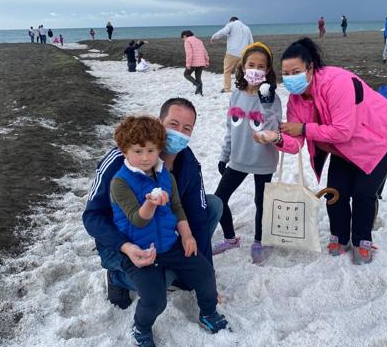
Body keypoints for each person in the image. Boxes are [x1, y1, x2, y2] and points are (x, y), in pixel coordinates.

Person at [254, 38, 387, 265]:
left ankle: (362, 239)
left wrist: (304, 128)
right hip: (343, 148)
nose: (290, 77)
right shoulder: (295, 101)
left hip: (383, 139)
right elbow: (296, 143)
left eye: (296, 71)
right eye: (286, 73)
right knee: (335, 192)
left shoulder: (337, 82)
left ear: (311, 68)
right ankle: (340, 236)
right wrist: (275, 137)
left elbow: (343, 131)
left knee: (363, 193)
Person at [83, 98, 224, 310]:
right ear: (159, 123)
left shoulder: (189, 164)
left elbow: (197, 217)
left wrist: (205, 278)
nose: (179, 133)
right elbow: (92, 217)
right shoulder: (119, 161)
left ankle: (177, 271)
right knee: (160, 281)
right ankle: (117, 277)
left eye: (187, 128)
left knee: (212, 205)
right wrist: (125, 246)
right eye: (173, 124)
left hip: (163, 236)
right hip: (124, 238)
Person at [109, 115, 229, 347]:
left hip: (169, 244)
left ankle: (208, 314)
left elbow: (177, 207)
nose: (145, 157)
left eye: (151, 150)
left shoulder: (165, 175)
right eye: (138, 151)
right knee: (155, 300)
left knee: (204, 273)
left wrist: (186, 235)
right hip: (139, 251)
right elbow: (137, 220)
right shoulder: (120, 183)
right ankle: (141, 328)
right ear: (124, 151)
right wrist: (150, 204)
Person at [213, 42, 282, 264]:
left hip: (264, 160)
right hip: (238, 158)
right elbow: (230, 129)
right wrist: (225, 155)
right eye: (251, 64)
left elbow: (274, 129)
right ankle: (231, 239)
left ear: (268, 70)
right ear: (243, 67)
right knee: (219, 199)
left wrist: (267, 105)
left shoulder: (273, 98)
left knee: (261, 202)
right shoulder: (236, 96)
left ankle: (259, 241)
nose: (255, 69)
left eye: (261, 66)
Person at [210, 16, 253, 93]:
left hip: (232, 52)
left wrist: (214, 37)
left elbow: (223, 32)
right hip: (243, 54)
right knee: (242, 71)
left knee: (227, 70)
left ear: (231, 21)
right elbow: (251, 42)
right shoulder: (247, 28)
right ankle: (244, 86)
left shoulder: (231, 24)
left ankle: (227, 88)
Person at [181, 30, 209, 96]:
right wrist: (207, 61)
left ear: (185, 36)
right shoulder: (199, 41)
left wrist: (188, 64)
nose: (183, 40)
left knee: (186, 74)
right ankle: (200, 92)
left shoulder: (187, 41)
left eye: (182, 38)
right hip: (202, 63)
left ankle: (197, 85)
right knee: (198, 78)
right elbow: (205, 52)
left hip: (194, 63)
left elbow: (189, 53)